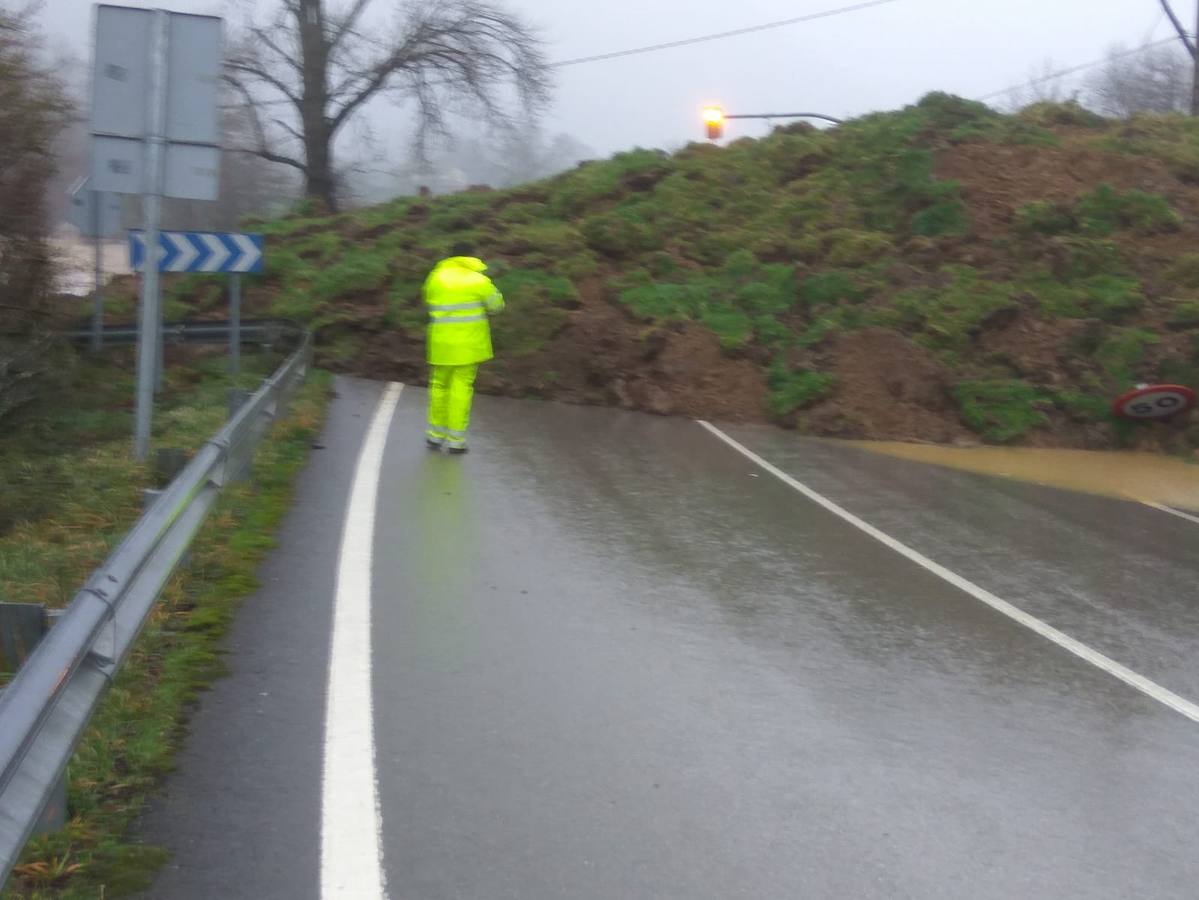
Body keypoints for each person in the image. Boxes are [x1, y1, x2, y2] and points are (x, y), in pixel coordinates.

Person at [423, 242, 505, 453]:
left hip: (441, 344)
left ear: (450, 256)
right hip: (467, 347)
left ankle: (435, 436)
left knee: (439, 386)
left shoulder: (435, 277)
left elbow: (428, 301)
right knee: (461, 389)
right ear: (471, 257)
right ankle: (456, 441)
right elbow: (496, 306)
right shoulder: (478, 280)